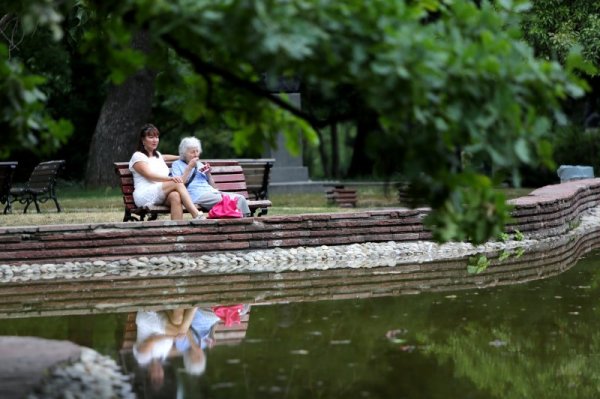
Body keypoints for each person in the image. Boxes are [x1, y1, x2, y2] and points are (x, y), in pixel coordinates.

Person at [129, 124, 205, 220]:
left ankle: (177, 231)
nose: (155, 140)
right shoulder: (138, 156)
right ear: (143, 140)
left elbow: (164, 157)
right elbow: (150, 175)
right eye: (151, 137)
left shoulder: (157, 156)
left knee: (175, 196)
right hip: (144, 194)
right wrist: (170, 178)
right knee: (177, 182)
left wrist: (183, 156)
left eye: (156, 137)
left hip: (160, 192)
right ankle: (196, 214)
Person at [171, 137, 251, 216]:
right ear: (184, 153)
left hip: (212, 192)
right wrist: (189, 168)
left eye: (197, 151)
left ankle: (245, 222)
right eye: (192, 152)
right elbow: (178, 184)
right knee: (233, 200)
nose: (196, 154)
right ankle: (240, 223)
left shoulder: (199, 164)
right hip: (197, 195)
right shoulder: (177, 164)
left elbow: (213, 187)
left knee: (240, 198)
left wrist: (208, 174)